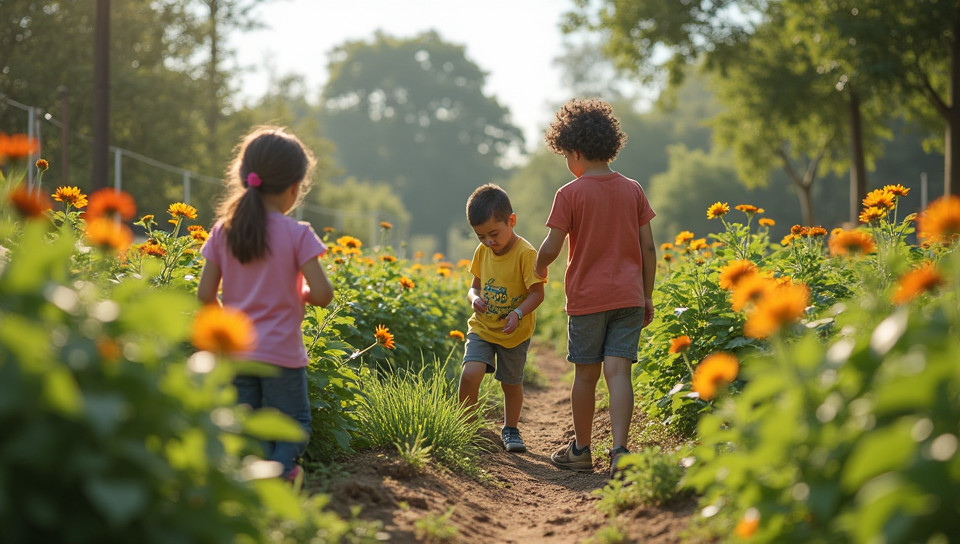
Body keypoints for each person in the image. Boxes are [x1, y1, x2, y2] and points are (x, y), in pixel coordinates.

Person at [197, 126, 334, 483]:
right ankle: (282, 471)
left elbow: (205, 295)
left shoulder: (224, 230)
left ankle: (248, 479)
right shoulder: (297, 233)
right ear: (293, 187)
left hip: (237, 352)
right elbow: (323, 293)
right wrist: (298, 295)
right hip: (283, 356)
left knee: (246, 423)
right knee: (292, 425)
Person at [534, 98, 657, 478]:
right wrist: (647, 294)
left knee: (585, 376)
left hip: (587, 301)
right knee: (619, 374)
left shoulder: (569, 194)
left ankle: (582, 450)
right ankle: (621, 451)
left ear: (576, 152)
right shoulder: (632, 189)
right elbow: (648, 247)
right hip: (628, 298)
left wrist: (537, 268)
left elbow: (553, 246)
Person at [459, 183, 545, 453]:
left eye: (493, 234)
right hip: (483, 327)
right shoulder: (483, 251)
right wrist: (475, 299)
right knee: (470, 373)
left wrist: (518, 314)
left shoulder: (526, 254)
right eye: (480, 236)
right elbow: (474, 286)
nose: (488, 242)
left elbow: (537, 294)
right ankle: (466, 426)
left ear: (512, 221)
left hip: (513, 332)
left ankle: (510, 428)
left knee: (511, 384)